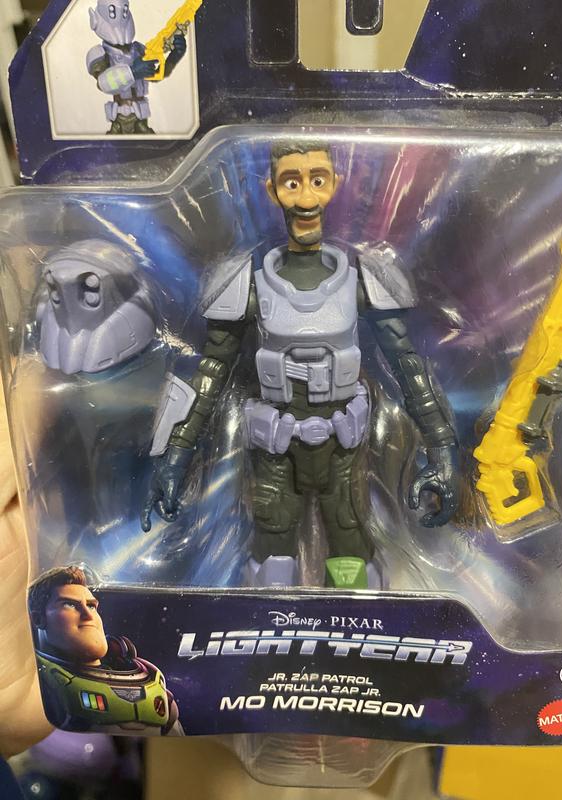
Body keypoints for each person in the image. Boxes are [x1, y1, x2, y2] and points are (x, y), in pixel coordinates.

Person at [142, 141, 459, 589]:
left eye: (317, 180)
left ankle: (351, 622)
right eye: (292, 183)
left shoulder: (366, 279)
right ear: (272, 190)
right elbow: (210, 373)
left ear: (335, 185)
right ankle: (272, 623)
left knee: (351, 552)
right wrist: (176, 454)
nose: (306, 198)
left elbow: (408, 369)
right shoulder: (244, 284)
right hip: (275, 450)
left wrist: (442, 447)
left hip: (343, 450)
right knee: (272, 554)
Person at [28, 566, 182, 736]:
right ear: (38, 619)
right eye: (69, 604)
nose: (88, 615)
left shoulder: (153, 684)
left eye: (91, 606)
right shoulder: (40, 688)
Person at [87, 0, 188, 135]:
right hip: (119, 120)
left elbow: (156, 75)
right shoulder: (99, 53)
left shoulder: (138, 49)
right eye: (112, 12)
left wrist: (174, 57)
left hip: (141, 119)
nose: (119, 18)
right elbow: (103, 83)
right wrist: (132, 72)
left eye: (123, 11)